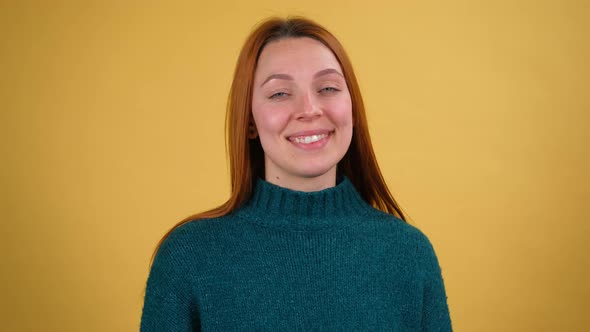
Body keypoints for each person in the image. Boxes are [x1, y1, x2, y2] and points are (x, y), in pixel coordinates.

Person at [140, 16, 452, 331]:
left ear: (352, 108)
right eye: (279, 94)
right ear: (249, 121)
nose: (309, 108)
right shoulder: (189, 256)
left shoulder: (409, 254)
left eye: (328, 88)